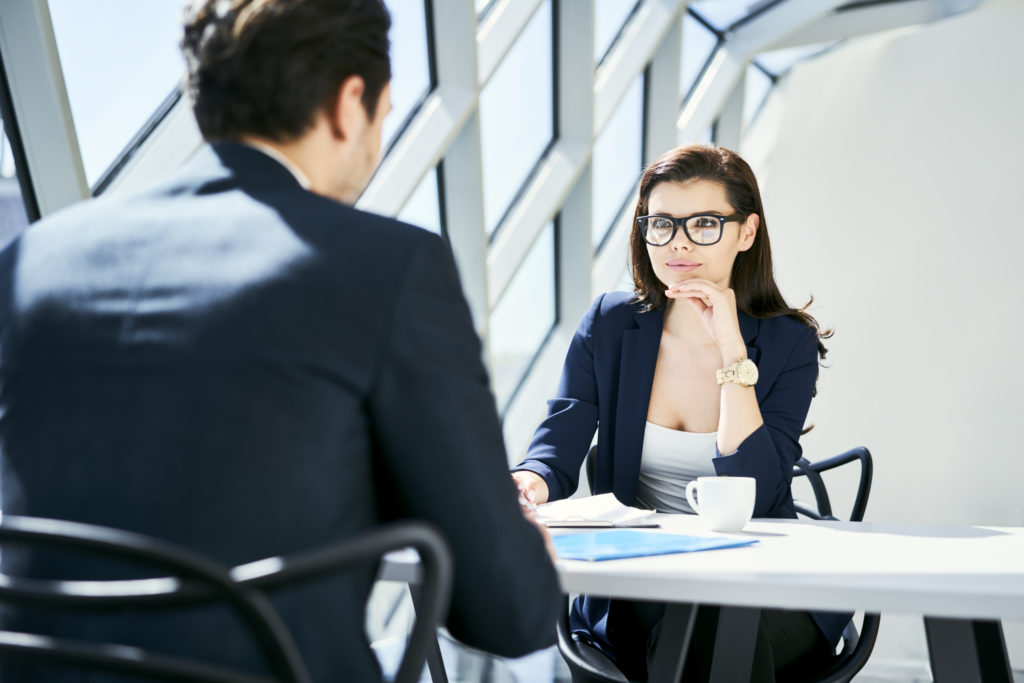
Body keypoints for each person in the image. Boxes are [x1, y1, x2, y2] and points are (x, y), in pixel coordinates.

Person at [0, 0, 560, 680]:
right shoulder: (385, 266)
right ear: (350, 104)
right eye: (385, 116)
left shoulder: (36, 259)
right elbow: (507, 611)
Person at [512, 144, 850, 681]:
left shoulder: (788, 342)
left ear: (746, 232)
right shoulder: (610, 324)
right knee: (693, 627)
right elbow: (562, 433)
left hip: (764, 585)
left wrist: (730, 351)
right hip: (642, 578)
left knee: (709, 625)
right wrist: (528, 480)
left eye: (705, 224)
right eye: (662, 224)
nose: (679, 243)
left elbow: (757, 494)